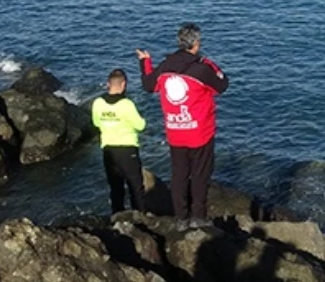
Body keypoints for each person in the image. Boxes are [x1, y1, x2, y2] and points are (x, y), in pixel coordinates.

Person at [136, 23, 229, 222]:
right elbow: (222, 85)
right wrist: (211, 65)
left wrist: (145, 62)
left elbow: (148, 84)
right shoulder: (201, 69)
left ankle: (181, 217)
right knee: (200, 176)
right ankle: (198, 217)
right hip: (200, 133)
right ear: (196, 43)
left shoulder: (165, 67)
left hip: (175, 132)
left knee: (179, 175)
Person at [91, 68, 146, 214]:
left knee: (115, 186)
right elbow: (140, 125)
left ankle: (117, 215)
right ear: (123, 85)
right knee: (135, 186)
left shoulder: (98, 102)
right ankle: (139, 215)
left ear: (108, 84)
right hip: (127, 148)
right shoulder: (126, 104)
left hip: (108, 149)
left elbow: (96, 123)